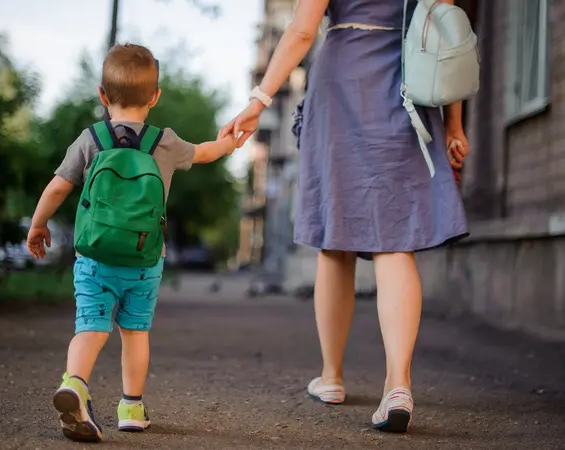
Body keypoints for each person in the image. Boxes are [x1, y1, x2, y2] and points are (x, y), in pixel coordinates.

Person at [221, 0, 469, 433]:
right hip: (407, 85)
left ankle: (332, 376)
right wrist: (454, 125)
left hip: (341, 83)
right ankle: (397, 385)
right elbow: (446, 29)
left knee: (335, 239)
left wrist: (259, 100)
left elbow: (302, 30)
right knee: (394, 240)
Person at [26, 43, 236, 443]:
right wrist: (229, 142)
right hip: (144, 259)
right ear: (155, 98)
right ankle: (132, 408)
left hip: (93, 257)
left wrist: (38, 226)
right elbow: (207, 153)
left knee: (91, 327)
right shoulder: (165, 142)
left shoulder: (90, 139)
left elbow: (57, 187)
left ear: (102, 96)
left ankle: (75, 383)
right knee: (134, 332)